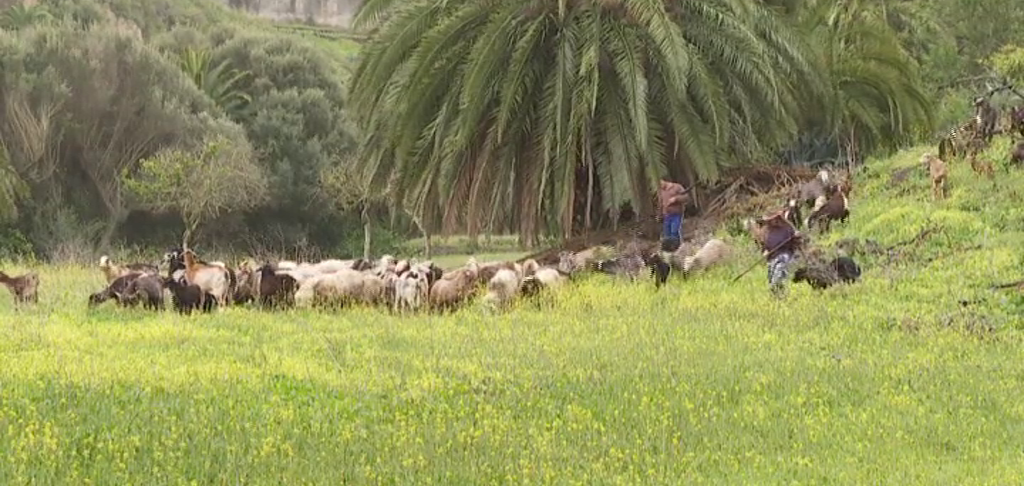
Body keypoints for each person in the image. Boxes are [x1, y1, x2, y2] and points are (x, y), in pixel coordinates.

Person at [754, 210, 804, 298]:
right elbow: (763, 244)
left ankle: (780, 293)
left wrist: (797, 237)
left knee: (778, 277)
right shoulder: (766, 230)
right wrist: (765, 251)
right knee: (771, 279)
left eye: (774, 219)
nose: (773, 222)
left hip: (784, 255)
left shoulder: (788, 228)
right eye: (770, 220)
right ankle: (777, 297)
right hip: (771, 257)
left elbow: (797, 243)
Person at [658, 178, 687, 249]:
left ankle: (677, 247)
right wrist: (659, 215)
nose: (660, 186)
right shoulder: (661, 191)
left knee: (674, 231)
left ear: (664, 181)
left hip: (676, 213)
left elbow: (686, 197)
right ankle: (669, 249)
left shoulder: (677, 187)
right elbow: (660, 204)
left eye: (660, 183)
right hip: (666, 215)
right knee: (667, 233)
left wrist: (676, 199)